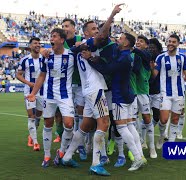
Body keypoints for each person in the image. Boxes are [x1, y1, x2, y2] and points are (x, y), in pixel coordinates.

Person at [86, 4, 145, 171]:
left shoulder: (124, 58)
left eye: (121, 39)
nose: (117, 40)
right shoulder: (124, 55)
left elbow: (108, 70)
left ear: (126, 44)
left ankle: (138, 158)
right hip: (128, 94)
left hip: (119, 95)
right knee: (130, 126)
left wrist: (91, 59)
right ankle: (140, 155)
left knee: (121, 127)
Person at [56, 20, 111, 176]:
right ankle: (96, 163)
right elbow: (103, 34)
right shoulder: (89, 44)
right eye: (93, 29)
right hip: (95, 89)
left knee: (85, 126)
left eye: (96, 29)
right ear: (86, 33)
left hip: (87, 91)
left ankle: (67, 157)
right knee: (104, 123)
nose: (96, 31)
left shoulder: (81, 47)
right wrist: (112, 14)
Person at [26, 28, 75, 168]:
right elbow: (42, 75)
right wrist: (33, 93)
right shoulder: (46, 56)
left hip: (66, 95)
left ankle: (61, 151)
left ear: (62, 40)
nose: (51, 39)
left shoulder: (71, 55)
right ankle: (47, 155)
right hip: (49, 95)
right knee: (48, 123)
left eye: (54, 36)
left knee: (69, 124)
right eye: (51, 36)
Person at [151, 34, 186, 148]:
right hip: (165, 93)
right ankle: (162, 136)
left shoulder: (182, 58)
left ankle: (171, 143)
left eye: (173, 42)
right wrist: (152, 68)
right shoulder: (161, 57)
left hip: (179, 93)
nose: (170, 43)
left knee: (175, 119)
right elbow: (154, 75)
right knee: (163, 119)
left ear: (177, 44)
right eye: (169, 41)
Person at [16, 37, 43, 151]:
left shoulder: (44, 58)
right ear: (30, 46)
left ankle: (31, 135)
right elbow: (18, 75)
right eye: (35, 43)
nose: (37, 45)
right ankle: (35, 142)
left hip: (42, 92)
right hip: (29, 92)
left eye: (39, 43)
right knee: (31, 116)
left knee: (38, 116)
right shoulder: (25, 60)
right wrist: (29, 83)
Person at [133, 35, 157, 158]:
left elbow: (146, 57)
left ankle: (152, 148)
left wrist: (134, 50)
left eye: (141, 41)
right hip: (132, 92)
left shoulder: (146, 56)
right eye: (137, 41)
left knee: (147, 119)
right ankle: (139, 145)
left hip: (142, 92)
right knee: (133, 121)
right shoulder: (133, 55)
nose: (138, 42)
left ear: (146, 45)